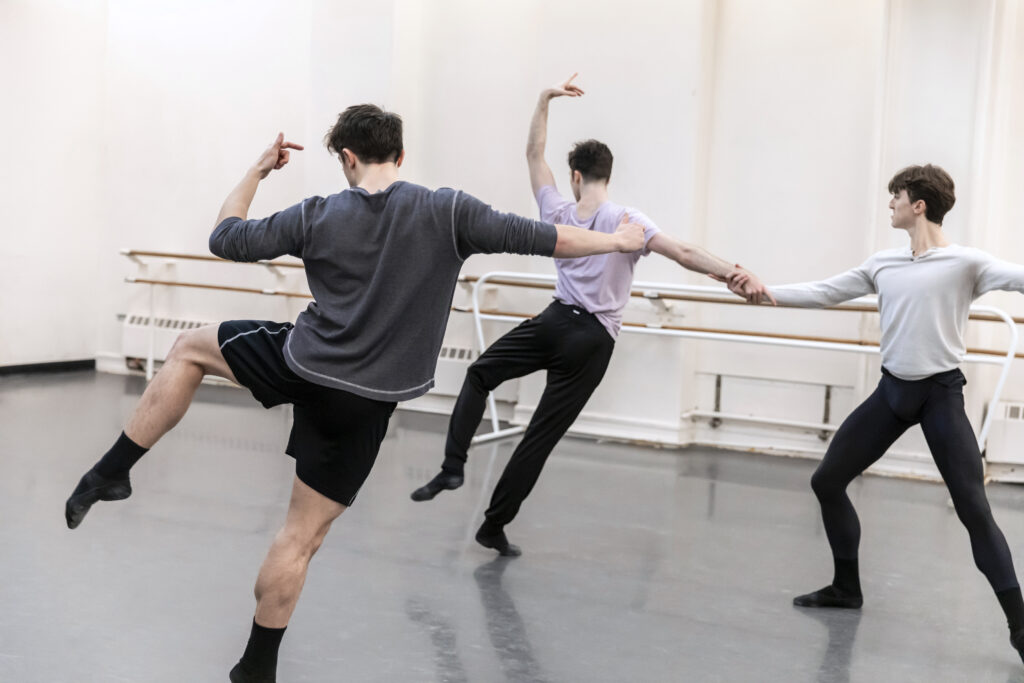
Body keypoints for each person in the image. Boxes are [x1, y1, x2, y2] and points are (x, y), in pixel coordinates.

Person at [64, 104, 647, 683]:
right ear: (399, 154)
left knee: (190, 348)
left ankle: (114, 469)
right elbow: (549, 239)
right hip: (368, 400)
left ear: (347, 157)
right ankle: (255, 668)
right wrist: (618, 242)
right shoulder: (448, 210)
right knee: (301, 537)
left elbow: (226, 236)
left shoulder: (318, 214)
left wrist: (258, 170)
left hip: (303, 363)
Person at [410, 74, 774, 557]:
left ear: (576, 176)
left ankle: (454, 466)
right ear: (607, 175)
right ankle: (493, 526)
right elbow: (683, 252)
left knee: (479, 375)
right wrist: (733, 274)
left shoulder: (557, 209)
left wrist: (544, 100)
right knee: (539, 437)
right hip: (594, 340)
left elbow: (534, 156)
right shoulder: (629, 221)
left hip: (554, 323)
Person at [728, 164, 1024, 664]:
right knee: (827, 481)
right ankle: (847, 587)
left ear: (919, 205)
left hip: (939, 396)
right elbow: (826, 291)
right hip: (892, 392)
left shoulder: (967, 263)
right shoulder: (883, 262)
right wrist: (766, 291)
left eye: (896, 196)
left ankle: (1019, 626)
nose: (890, 204)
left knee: (974, 511)